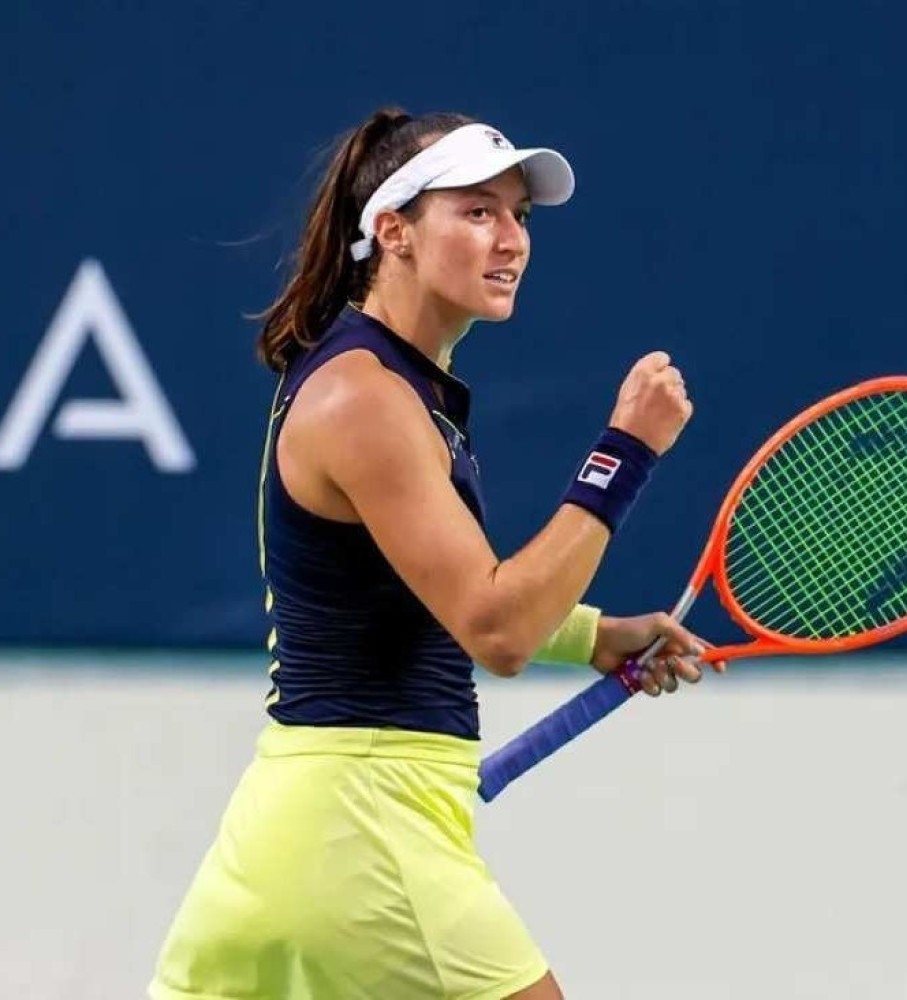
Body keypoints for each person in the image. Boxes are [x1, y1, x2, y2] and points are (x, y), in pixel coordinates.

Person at [149, 107, 723, 1000]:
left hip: (304, 832)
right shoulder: (365, 399)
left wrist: (592, 635)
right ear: (394, 232)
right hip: (364, 824)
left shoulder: (388, 385)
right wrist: (625, 455)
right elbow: (493, 626)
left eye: (519, 217)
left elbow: (425, 592)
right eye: (478, 211)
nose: (511, 240)